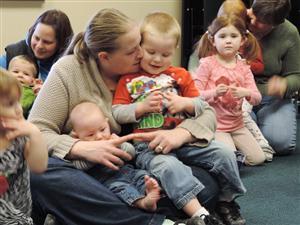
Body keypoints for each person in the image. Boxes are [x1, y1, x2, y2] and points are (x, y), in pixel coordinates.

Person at [28, 8, 221, 225]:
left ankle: (89, 212)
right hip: (89, 173)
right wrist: (81, 148)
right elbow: (33, 133)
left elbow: (207, 113)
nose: (141, 53)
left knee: (205, 185)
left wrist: (181, 133)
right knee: (39, 173)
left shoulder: (152, 69)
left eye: (140, 43)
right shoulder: (69, 71)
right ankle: (154, 221)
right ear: (104, 57)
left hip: (138, 171)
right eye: (131, 51)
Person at [113, 12, 246, 225]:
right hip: (149, 147)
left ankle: (226, 201)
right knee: (169, 168)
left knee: (224, 153)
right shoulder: (129, 79)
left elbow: (201, 105)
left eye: (165, 54)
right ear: (140, 47)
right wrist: (140, 108)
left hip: (185, 141)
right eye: (151, 52)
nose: (157, 59)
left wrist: (185, 103)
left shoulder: (180, 75)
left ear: (174, 51)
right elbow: (117, 112)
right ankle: (200, 215)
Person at [194, 15, 266, 166]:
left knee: (259, 159)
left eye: (233, 36)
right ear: (213, 40)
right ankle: (216, 149)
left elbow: (257, 97)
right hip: (216, 125)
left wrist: (246, 93)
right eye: (222, 36)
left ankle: (225, 152)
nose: (228, 40)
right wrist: (214, 93)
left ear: (242, 40)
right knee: (231, 161)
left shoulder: (244, 67)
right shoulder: (207, 65)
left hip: (237, 124)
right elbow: (194, 95)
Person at [69, 101, 160, 212]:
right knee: (120, 190)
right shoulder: (80, 150)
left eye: (102, 129)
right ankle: (143, 203)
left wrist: (120, 144)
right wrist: (92, 157)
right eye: (90, 135)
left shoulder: (113, 139)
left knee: (144, 176)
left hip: (129, 172)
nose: (99, 136)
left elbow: (131, 154)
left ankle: (151, 193)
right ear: (76, 136)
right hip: (109, 181)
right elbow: (76, 167)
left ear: (107, 123)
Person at [217, 0, 275, 161]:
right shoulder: (216, 41)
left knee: (241, 114)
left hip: (243, 89)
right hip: (221, 90)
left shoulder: (249, 41)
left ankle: (262, 144)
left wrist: (244, 63)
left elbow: (260, 66)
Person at [247, 0, 300, 155]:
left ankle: (253, 130)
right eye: (253, 15)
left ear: (277, 23)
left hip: (271, 98)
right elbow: (204, 47)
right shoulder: (238, 17)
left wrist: (285, 84)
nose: (253, 23)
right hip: (238, 96)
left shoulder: (290, 33)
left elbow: (296, 75)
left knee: (280, 142)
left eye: (261, 21)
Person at [0, 69, 48, 224]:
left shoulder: (19, 136)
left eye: (18, 102)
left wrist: (35, 134)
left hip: (20, 211)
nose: (18, 109)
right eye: (10, 104)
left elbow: (39, 166)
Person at [0, 9, 73, 81]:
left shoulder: (68, 65)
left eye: (47, 42)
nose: (39, 46)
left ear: (61, 45)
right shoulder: (13, 54)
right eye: (36, 38)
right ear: (31, 34)